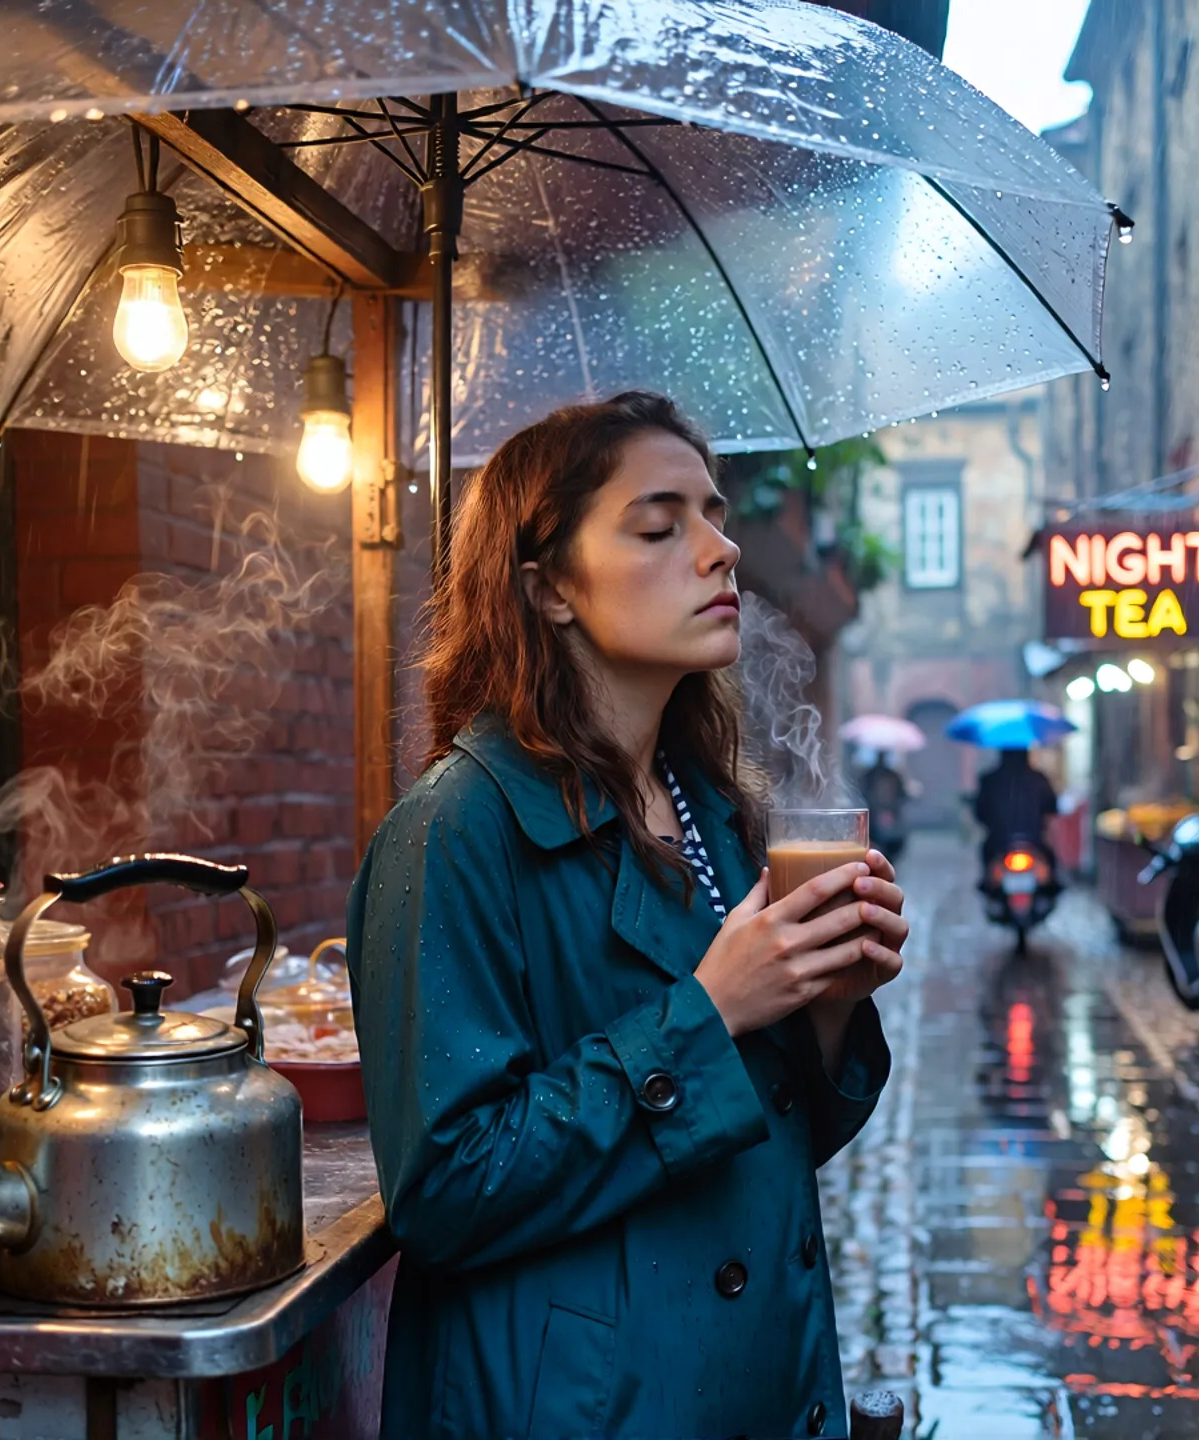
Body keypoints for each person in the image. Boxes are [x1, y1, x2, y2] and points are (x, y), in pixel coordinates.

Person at [348, 392, 910, 1438]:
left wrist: (827, 1002)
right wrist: (710, 1009)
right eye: (660, 526)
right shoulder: (456, 830)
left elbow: (769, 1144)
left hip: (756, 1384)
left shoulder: (708, 806)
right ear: (550, 587)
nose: (721, 549)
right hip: (579, 1405)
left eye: (714, 514)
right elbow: (445, 1190)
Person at [971, 745, 1059, 866]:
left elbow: (980, 813)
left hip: (998, 841)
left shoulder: (989, 780)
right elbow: (1052, 807)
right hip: (1034, 840)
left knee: (988, 865)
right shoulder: (1039, 779)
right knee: (1049, 865)